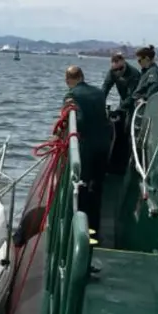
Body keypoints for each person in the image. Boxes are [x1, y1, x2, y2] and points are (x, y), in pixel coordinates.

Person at [63, 65, 112, 242]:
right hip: (104, 144)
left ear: (68, 79)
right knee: (97, 186)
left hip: (86, 147)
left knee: (82, 186)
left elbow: (77, 121)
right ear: (82, 76)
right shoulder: (99, 93)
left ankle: (81, 229)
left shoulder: (72, 95)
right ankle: (95, 229)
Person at [101, 51, 140, 116]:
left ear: (124, 62)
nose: (118, 72)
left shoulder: (133, 74)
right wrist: (100, 101)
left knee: (128, 118)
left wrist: (119, 109)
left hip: (134, 101)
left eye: (121, 68)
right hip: (123, 98)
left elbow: (131, 95)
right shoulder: (112, 72)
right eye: (115, 70)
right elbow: (105, 87)